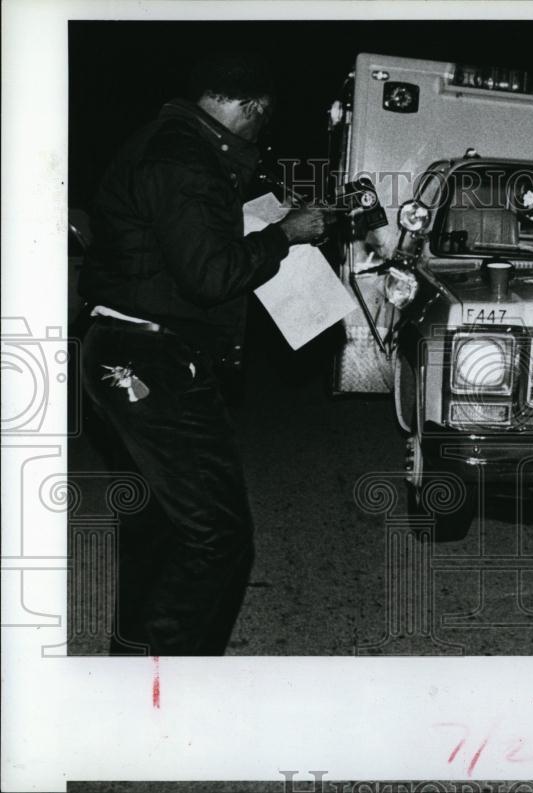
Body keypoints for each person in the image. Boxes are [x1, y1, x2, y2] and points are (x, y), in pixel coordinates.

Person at [78, 52, 328, 654]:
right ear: (255, 107)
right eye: (263, 121)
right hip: (149, 361)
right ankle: (178, 688)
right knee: (216, 536)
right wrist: (285, 235)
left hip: (127, 350)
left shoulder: (173, 144)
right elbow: (210, 275)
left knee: (161, 530)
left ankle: (135, 677)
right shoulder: (185, 156)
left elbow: (182, 251)